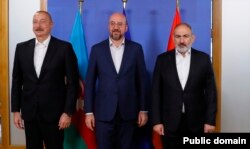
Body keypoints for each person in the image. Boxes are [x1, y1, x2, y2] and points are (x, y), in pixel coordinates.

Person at [11, 11, 79, 149]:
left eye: (43, 21)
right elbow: (16, 82)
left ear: (51, 24)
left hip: (55, 115)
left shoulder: (64, 48)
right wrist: (16, 111)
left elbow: (73, 83)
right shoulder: (21, 48)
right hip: (29, 114)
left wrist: (68, 112)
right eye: (35, 22)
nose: (38, 25)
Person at [84, 12, 148, 149]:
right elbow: (89, 83)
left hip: (129, 113)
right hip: (103, 114)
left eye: (120, 24)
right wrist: (88, 112)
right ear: (108, 26)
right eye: (112, 23)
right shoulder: (97, 50)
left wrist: (143, 109)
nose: (116, 27)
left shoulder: (136, 49)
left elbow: (142, 81)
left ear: (126, 27)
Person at [151, 23, 217, 148]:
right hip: (169, 123)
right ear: (173, 38)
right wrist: (156, 121)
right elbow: (155, 92)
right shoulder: (162, 60)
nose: (182, 40)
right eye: (178, 36)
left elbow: (211, 93)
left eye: (186, 36)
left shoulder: (203, 59)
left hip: (197, 123)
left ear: (193, 38)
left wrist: (210, 121)